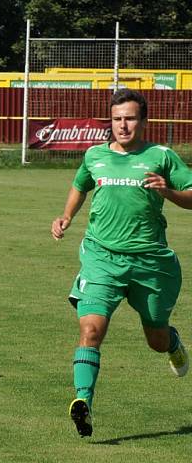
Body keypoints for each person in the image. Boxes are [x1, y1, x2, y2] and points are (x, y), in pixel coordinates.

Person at [51, 89, 192, 438]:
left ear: (143, 121)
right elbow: (79, 185)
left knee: (155, 338)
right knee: (91, 331)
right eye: (117, 119)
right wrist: (66, 216)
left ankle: (172, 343)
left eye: (130, 118)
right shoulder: (95, 155)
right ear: (110, 122)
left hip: (150, 263)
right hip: (102, 259)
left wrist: (169, 192)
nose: (123, 125)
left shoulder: (162, 156)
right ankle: (82, 401)